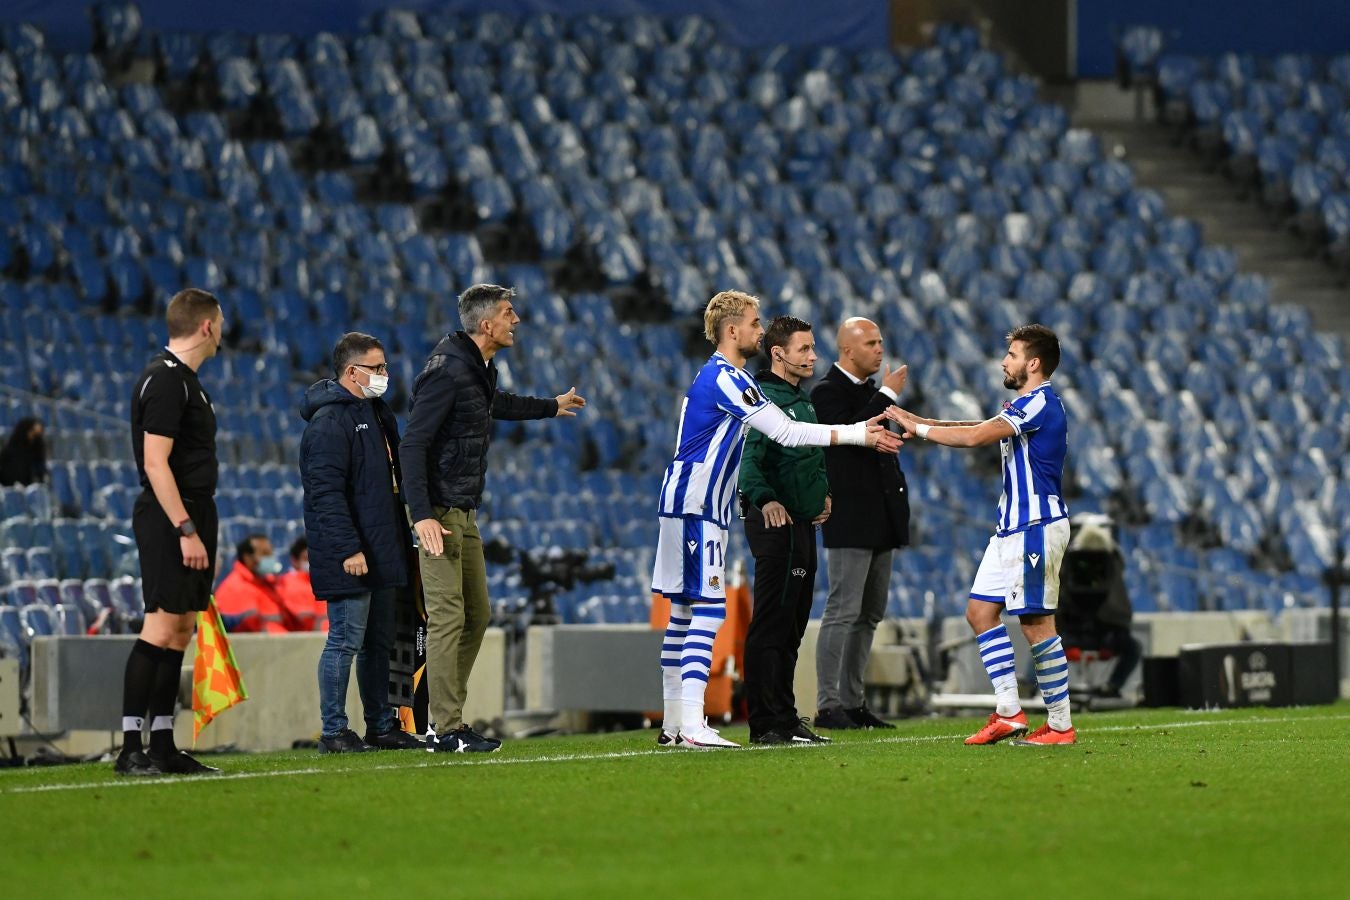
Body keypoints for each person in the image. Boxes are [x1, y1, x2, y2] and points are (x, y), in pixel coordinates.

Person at [654, 291, 902, 751]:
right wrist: (856, 434)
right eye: (752, 323)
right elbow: (784, 433)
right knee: (707, 610)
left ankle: (675, 723)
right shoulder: (731, 379)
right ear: (732, 331)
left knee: (684, 614)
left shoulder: (717, 376)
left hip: (688, 500)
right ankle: (692, 723)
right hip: (698, 503)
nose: (758, 330)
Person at [400, 284, 586, 754]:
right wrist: (420, 515)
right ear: (487, 325)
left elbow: (495, 403)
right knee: (447, 617)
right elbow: (413, 444)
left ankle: (439, 710)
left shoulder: (476, 368)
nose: (516, 319)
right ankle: (444, 726)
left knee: (477, 614)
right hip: (438, 515)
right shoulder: (445, 372)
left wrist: (551, 406)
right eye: (508, 313)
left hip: (464, 511)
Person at [891, 324, 1075, 746]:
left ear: (1033, 363)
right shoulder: (1026, 405)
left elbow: (975, 436)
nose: (1004, 361)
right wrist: (918, 420)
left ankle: (1061, 725)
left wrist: (918, 431)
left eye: (1012, 354)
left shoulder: (1042, 403)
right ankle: (1009, 713)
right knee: (980, 613)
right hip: (1009, 531)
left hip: (1035, 528)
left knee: (1036, 624)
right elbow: (979, 424)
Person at [116, 288, 226, 776]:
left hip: (195, 512)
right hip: (169, 517)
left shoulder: (189, 382)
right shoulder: (164, 381)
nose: (222, 332)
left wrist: (198, 524)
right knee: (160, 626)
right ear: (207, 326)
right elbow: (154, 463)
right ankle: (129, 747)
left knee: (182, 627)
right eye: (219, 323)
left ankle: (162, 744)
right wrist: (184, 528)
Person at [300, 332, 423, 753]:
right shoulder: (329, 423)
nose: (385, 375)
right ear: (351, 372)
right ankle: (334, 730)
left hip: (383, 548)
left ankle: (381, 725)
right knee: (345, 641)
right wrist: (349, 548)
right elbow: (325, 494)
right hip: (352, 554)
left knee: (378, 645)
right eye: (377, 368)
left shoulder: (374, 412)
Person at [810, 317, 910, 731]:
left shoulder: (869, 393)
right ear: (847, 350)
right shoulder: (826, 393)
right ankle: (828, 703)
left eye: (881, 341)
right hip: (849, 517)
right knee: (842, 610)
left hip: (881, 516)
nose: (879, 349)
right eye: (871, 343)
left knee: (869, 614)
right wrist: (887, 394)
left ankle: (853, 702)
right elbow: (852, 433)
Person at [737, 316, 832, 746]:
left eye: (812, 348)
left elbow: (807, 457)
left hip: (802, 527)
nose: (812, 356)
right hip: (776, 523)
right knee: (771, 623)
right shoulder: (761, 400)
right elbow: (748, 460)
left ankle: (786, 716)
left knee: (792, 625)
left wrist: (823, 493)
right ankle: (764, 722)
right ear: (779, 353)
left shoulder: (802, 399)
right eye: (804, 349)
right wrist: (766, 499)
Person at [1058, 515, 1141, 700]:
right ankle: (1113, 686)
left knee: (1044, 644)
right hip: (1092, 636)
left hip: (1086, 635)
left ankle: (1111, 687)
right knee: (1043, 643)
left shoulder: (1109, 567)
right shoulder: (1068, 565)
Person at [214, 534, 300, 633]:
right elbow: (249, 629)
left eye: (271, 552)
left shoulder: (268, 583)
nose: (271, 557)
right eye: (265, 553)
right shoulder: (235, 588)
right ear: (247, 558)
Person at [276, 536, 327, 632]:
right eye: (307, 559)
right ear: (294, 561)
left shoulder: (323, 581)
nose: (312, 563)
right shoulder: (286, 584)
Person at [0, 417, 47, 486]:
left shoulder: (36, 450)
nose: (33, 436)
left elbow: (40, 470)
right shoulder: (10, 451)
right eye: (32, 432)